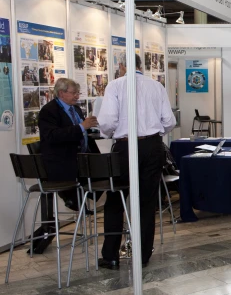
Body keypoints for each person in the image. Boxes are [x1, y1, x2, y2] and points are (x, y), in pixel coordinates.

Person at [98, 54, 176, 269]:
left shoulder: (115, 86)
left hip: (125, 147)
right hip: (152, 147)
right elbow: (169, 121)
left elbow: (107, 121)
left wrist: (111, 133)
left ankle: (111, 255)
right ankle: (142, 255)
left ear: (122, 65)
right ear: (141, 66)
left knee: (115, 200)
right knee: (146, 201)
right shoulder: (156, 86)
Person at [38, 78, 101, 246]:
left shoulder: (76, 109)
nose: (76, 96)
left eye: (77, 93)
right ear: (61, 93)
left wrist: (91, 128)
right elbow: (53, 136)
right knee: (95, 177)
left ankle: (79, 199)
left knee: (109, 172)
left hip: (82, 158)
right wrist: (82, 127)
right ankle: (73, 197)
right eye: (74, 93)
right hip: (62, 161)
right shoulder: (49, 111)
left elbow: (80, 131)